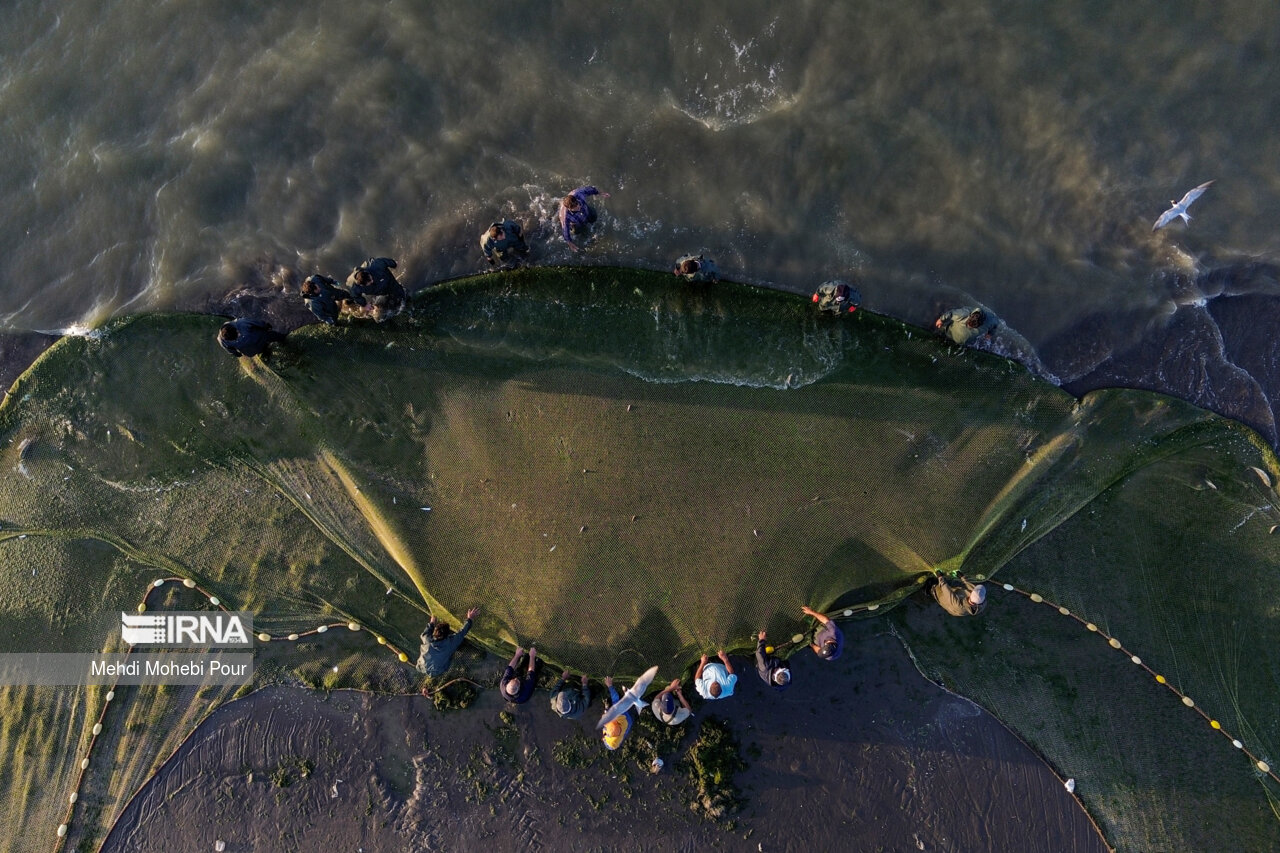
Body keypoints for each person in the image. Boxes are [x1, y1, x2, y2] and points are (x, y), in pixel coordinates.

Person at [415, 606, 480, 677]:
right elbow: (462, 632)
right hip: (436, 672)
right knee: (449, 657)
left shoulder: (427, 639)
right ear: (447, 634)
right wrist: (470, 618)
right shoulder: (450, 644)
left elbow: (425, 633)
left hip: (420, 666)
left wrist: (432, 622)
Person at [345, 257, 407, 321]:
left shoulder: (376, 264)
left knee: (402, 297)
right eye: (369, 283)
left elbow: (388, 262)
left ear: (367, 272)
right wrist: (364, 304)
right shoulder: (353, 286)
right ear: (361, 285)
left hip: (390, 282)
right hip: (377, 291)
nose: (372, 281)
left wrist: (394, 264)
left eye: (371, 278)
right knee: (382, 309)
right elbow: (355, 296)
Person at [559, 186, 609, 252]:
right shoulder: (565, 216)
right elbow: (565, 230)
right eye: (574, 207)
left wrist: (600, 193)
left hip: (587, 211)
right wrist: (570, 243)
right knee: (577, 232)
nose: (578, 207)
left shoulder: (579, 194)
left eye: (577, 204)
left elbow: (589, 189)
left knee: (594, 217)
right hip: (576, 223)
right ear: (569, 209)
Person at [217, 318, 287, 358]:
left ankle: (265, 351)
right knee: (274, 336)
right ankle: (283, 339)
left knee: (261, 348)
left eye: (237, 333)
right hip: (261, 338)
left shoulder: (222, 341)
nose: (239, 335)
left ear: (235, 329)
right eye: (236, 337)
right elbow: (260, 323)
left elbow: (234, 352)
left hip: (252, 350)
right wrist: (266, 326)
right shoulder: (242, 322)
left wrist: (238, 354)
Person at [601, 675, 636, 750]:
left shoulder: (611, 734)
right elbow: (615, 697)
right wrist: (610, 686)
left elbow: (607, 731)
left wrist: (606, 710)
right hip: (626, 717)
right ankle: (626, 693)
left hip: (624, 727)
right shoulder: (618, 714)